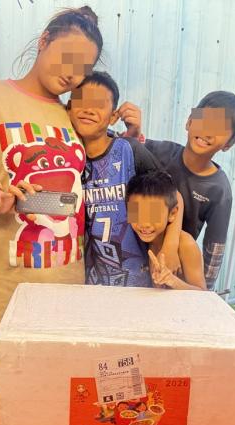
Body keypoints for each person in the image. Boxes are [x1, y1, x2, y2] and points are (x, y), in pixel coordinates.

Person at [0, 6, 103, 397]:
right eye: (68, 58)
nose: (72, 75)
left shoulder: (71, 116)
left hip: (63, 275)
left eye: (83, 69)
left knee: (50, 388)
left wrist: (131, 136)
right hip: (4, 276)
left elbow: (101, 163)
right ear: (44, 41)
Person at [67, 71, 182, 287]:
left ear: (113, 117)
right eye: (82, 101)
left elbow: (173, 195)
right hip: (94, 281)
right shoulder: (68, 158)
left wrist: (170, 245)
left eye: (99, 104)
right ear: (69, 108)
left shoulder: (129, 150)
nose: (89, 109)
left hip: (138, 277)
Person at [127, 92, 235, 290]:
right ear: (189, 122)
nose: (208, 131)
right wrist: (133, 133)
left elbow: (214, 249)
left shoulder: (219, 189)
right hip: (139, 258)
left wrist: (202, 290)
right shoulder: (160, 153)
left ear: (229, 144)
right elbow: (126, 148)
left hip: (178, 269)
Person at [126, 170, 206, 290]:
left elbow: (203, 294)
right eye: (137, 214)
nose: (144, 224)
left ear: (172, 213)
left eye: (153, 214)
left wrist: (173, 281)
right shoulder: (139, 240)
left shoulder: (186, 244)